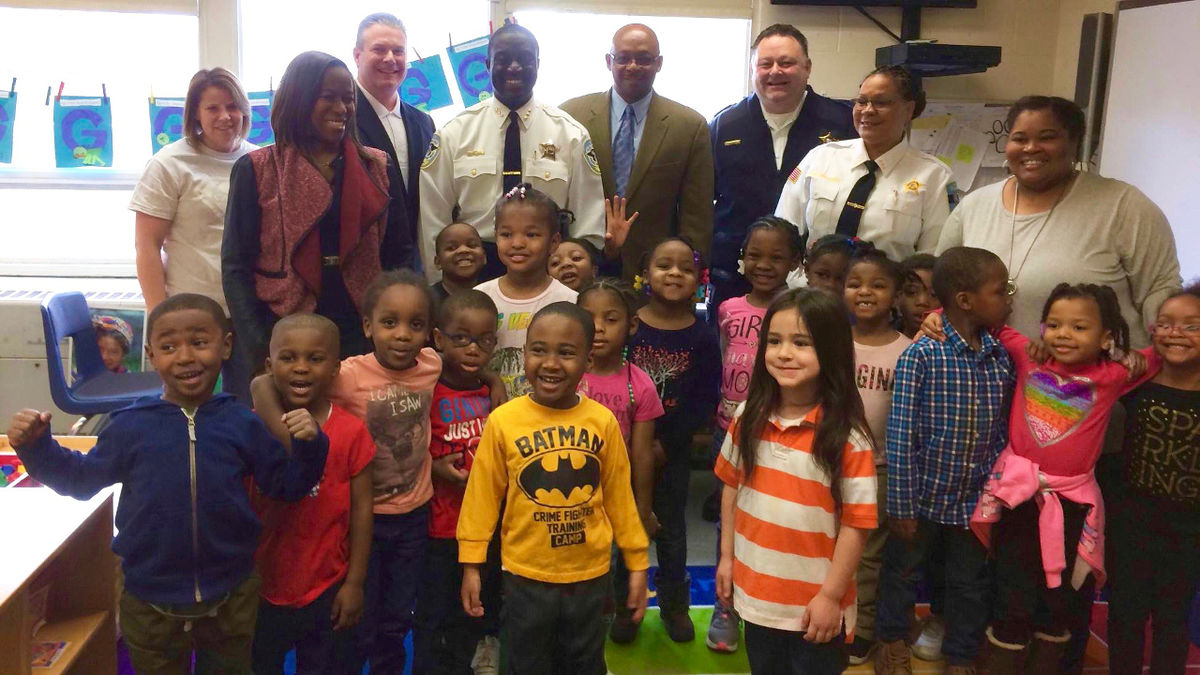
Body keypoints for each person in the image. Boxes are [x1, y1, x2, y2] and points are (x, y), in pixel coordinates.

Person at [6, 293, 329, 673]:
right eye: (169, 346)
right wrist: (37, 448)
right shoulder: (129, 426)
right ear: (152, 354)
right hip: (150, 598)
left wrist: (311, 446)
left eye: (199, 342)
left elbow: (285, 487)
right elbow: (80, 481)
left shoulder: (242, 423)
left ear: (226, 346)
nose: (186, 356)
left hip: (231, 595)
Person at [916, 284, 1155, 674]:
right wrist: (937, 313)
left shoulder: (1113, 376)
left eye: (1079, 327)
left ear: (1106, 337)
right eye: (1055, 324)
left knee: (1058, 599)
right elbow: (981, 317)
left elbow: (1164, 351)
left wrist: (1135, 358)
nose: (1064, 334)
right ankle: (1002, 659)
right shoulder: (1029, 357)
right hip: (1020, 500)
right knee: (1012, 588)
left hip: (1074, 505)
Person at [251, 270, 441, 673]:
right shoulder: (348, 373)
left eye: (415, 324)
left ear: (429, 332)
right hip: (361, 522)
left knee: (395, 615)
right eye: (390, 322)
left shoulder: (431, 364)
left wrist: (493, 379)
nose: (403, 334)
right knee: (356, 621)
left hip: (412, 513)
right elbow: (274, 383)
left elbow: (462, 374)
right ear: (369, 326)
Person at [457, 302, 650, 674]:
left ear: (587, 362)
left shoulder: (602, 421)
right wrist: (471, 564)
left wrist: (638, 562)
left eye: (566, 353)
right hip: (525, 575)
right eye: (539, 350)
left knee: (583, 663)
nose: (550, 363)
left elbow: (620, 499)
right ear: (524, 354)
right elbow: (481, 499)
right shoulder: (504, 422)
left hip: (590, 576)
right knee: (524, 664)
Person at [222, 50, 412, 392]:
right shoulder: (256, 169)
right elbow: (236, 267)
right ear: (300, 98)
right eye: (328, 97)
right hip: (283, 330)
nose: (342, 108)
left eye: (348, 99)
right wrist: (259, 347)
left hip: (362, 328)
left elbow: (400, 254)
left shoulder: (378, 167)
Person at [714, 287, 877, 674]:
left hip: (815, 608)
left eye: (801, 343)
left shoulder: (848, 438)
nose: (784, 353)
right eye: (774, 341)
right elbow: (731, 488)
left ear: (831, 349)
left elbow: (857, 525)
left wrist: (831, 597)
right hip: (756, 598)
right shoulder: (747, 417)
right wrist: (725, 559)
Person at [936, 95, 1181, 345]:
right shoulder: (974, 206)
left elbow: (1159, 293)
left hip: (1102, 379)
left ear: (1075, 143)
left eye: (1047, 137)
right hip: (988, 376)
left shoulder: (1124, 206)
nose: (1031, 148)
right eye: (1020, 138)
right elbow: (940, 289)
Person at [874, 247, 1015, 675]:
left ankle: (960, 655)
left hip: (974, 504)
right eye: (1000, 290)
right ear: (966, 300)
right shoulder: (921, 355)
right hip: (922, 498)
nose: (1008, 297)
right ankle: (892, 641)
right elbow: (899, 436)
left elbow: (1002, 434)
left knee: (969, 584)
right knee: (900, 574)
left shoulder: (1000, 359)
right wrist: (901, 504)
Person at [420, 21, 605, 281]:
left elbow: (588, 221)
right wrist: (440, 289)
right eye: (503, 59)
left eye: (525, 59)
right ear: (487, 64)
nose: (514, 67)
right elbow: (433, 220)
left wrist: (577, 288)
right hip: (471, 271)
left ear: (538, 64)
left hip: (548, 270)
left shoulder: (571, 134)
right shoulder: (454, 133)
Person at [249, 314, 374, 675]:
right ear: (270, 366)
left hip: (326, 586)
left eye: (315, 359)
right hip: (261, 586)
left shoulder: (351, 432)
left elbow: (363, 512)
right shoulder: (251, 426)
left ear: (335, 368)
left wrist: (354, 583)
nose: (301, 368)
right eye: (288, 358)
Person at [709, 23, 855, 319]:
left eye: (786, 63)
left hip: (815, 281)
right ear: (753, 70)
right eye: (766, 64)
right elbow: (702, 201)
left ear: (807, 67)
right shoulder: (724, 125)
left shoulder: (843, 123)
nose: (775, 71)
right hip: (736, 278)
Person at [705, 215, 803, 652]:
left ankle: (766, 603)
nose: (764, 264)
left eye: (776, 257)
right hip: (728, 429)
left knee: (767, 521)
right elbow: (725, 362)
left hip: (775, 432)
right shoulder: (728, 309)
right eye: (755, 255)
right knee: (728, 519)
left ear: (795, 261)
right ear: (742, 258)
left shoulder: (797, 311)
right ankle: (724, 606)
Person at [559, 23, 714, 282]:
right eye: (623, 58)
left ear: (659, 63)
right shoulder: (571, 116)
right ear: (609, 61)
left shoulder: (689, 126)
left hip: (655, 272)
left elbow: (696, 215)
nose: (632, 66)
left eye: (643, 59)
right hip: (581, 267)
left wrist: (691, 274)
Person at [628, 238, 721, 643]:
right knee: (621, 529)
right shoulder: (629, 324)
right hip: (624, 448)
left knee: (670, 531)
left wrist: (667, 444)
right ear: (645, 274)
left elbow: (704, 396)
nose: (674, 273)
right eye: (664, 265)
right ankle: (622, 606)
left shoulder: (701, 335)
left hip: (672, 451)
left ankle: (674, 606)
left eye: (685, 268)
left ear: (698, 282)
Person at [1106, 284, 1200, 675]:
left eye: (1191, 326)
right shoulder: (1134, 385)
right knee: (1125, 616)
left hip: (1188, 533)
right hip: (1131, 526)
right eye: (1165, 324)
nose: (1175, 332)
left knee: (1172, 620)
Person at [776, 66, 953, 272]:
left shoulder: (934, 177)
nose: (868, 110)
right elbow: (783, 234)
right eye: (861, 101)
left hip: (886, 299)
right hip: (814, 296)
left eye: (881, 102)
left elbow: (932, 260)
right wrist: (797, 288)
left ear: (908, 110)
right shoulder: (820, 158)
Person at [413, 290, 501, 675]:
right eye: (461, 338)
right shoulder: (425, 391)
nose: (472, 349)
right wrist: (434, 468)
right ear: (439, 339)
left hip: (484, 528)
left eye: (483, 340)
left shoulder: (493, 393)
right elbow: (403, 451)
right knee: (433, 611)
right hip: (440, 527)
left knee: (476, 607)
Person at [576, 278, 664, 643]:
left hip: (616, 497)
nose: (597, 328)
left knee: (614, 562)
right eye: (588, 318)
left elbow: (643, 453)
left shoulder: (640, 384)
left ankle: (618, 614)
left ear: (630, 325)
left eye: (610, 319)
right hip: (571, 494)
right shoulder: (568, 375)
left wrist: (642, 510)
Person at [132, 67, 255, 316]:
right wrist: (158, 314)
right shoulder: (169, 163)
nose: (225, 116)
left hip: (249, 311)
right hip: (189, 310)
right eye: (212, 108)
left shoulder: (259, 160)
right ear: (196, 114)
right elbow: (147, 245)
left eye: (232, 106)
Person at [841, 247, 911, 665]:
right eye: (855, 284)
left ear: (896, 295)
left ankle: (862, 628)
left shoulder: (908, 350)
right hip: (831, 463)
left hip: (880, 468)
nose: (865, 292)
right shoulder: (832, 343)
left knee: (867, 554)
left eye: (878, 285)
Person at [475, 184, 578, 399]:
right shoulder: (480, 298)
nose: (518, 243)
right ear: (495, 237)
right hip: (492, 415)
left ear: (553, 242)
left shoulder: (570, 302)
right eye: (506, 234)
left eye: (531, 234)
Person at [353, 13, 436, 256]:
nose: (390, 59)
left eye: (398, 51)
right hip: (361, 264)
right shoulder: (340, 121)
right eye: (379, 49)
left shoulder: (424, 123)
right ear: (357, 56)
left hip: (416, 263)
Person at [431, 222, 487, 304]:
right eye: (451, 248)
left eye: (471, 245)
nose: (463, 250)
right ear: (438, 262)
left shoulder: (494, 294)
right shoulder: (428, 301)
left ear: (484, 257)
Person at [896, 253, 939, 338]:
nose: (922, 301)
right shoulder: (881, 337)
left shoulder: (954, 344)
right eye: (912, 292)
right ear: (896, 296)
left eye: (933, 294)